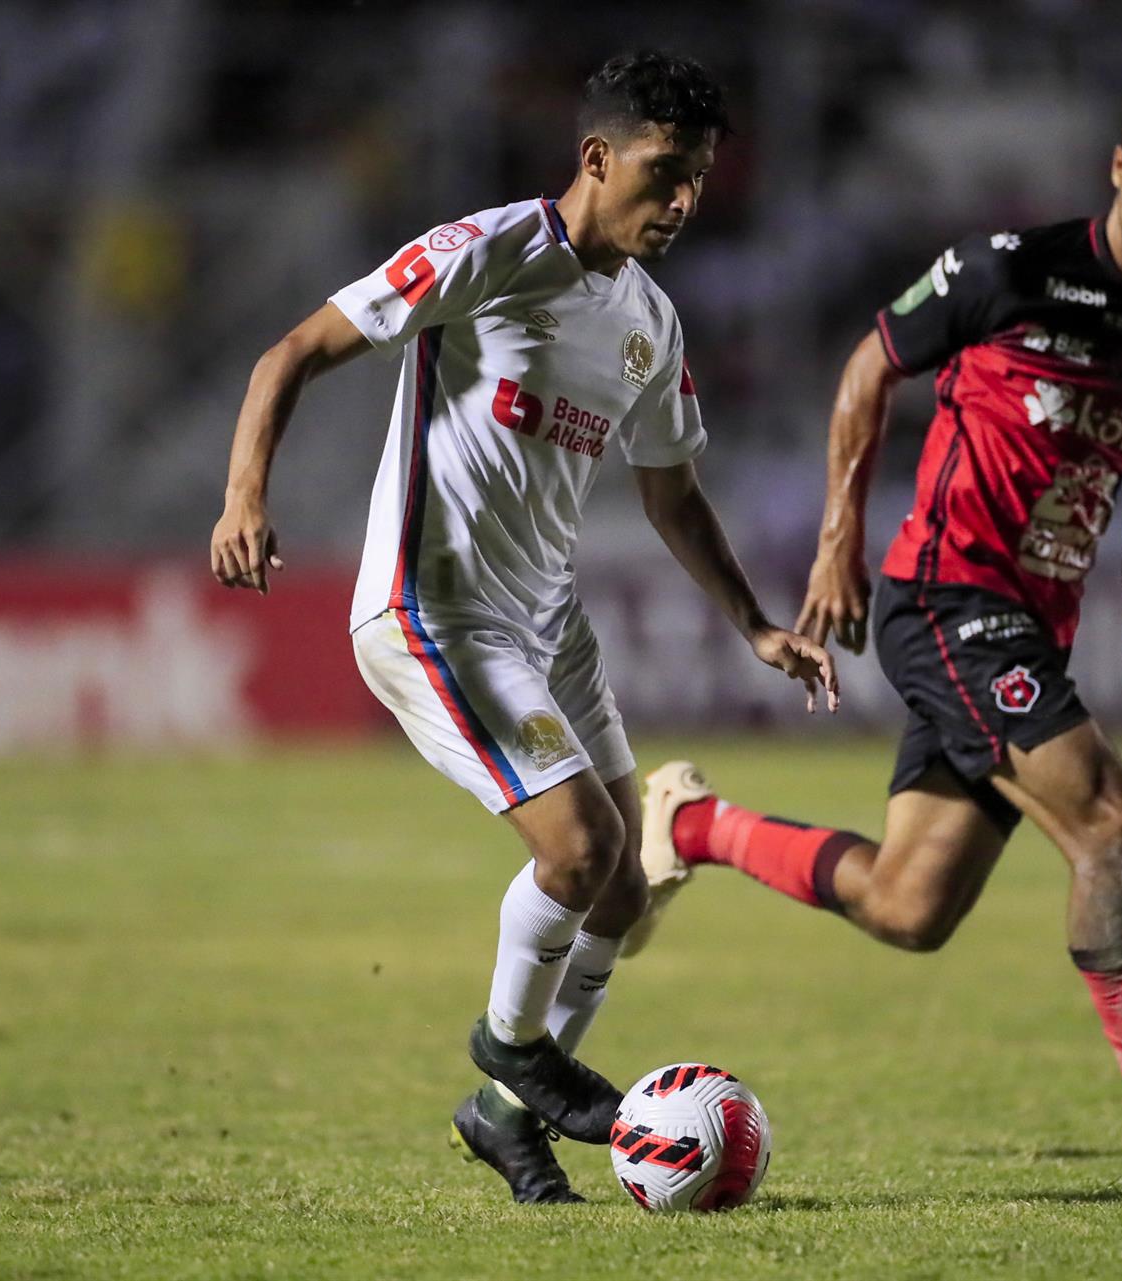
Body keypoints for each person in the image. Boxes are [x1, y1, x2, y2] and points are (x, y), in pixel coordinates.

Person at [624, 81, 1122, 1170]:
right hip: (948, 596)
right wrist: (837, 540)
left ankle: (693, 825)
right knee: (1109, 824)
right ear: (1115, 170)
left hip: (1027, 625)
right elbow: (867, 368)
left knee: (910, 905)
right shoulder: (1013, 271)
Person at [208, 51, 837, 1204]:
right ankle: (514, 1052)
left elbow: (672, 492)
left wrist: (752, 623)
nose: (686, 202)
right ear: (597, 157)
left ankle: (502, 1115)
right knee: (584, 849)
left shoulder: (651, 320)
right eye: (665, 172)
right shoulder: (490, 253)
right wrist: (247, 494)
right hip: (431, 612)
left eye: (700, 177)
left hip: (548, 623)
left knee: (622, 895)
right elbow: (289, 352)